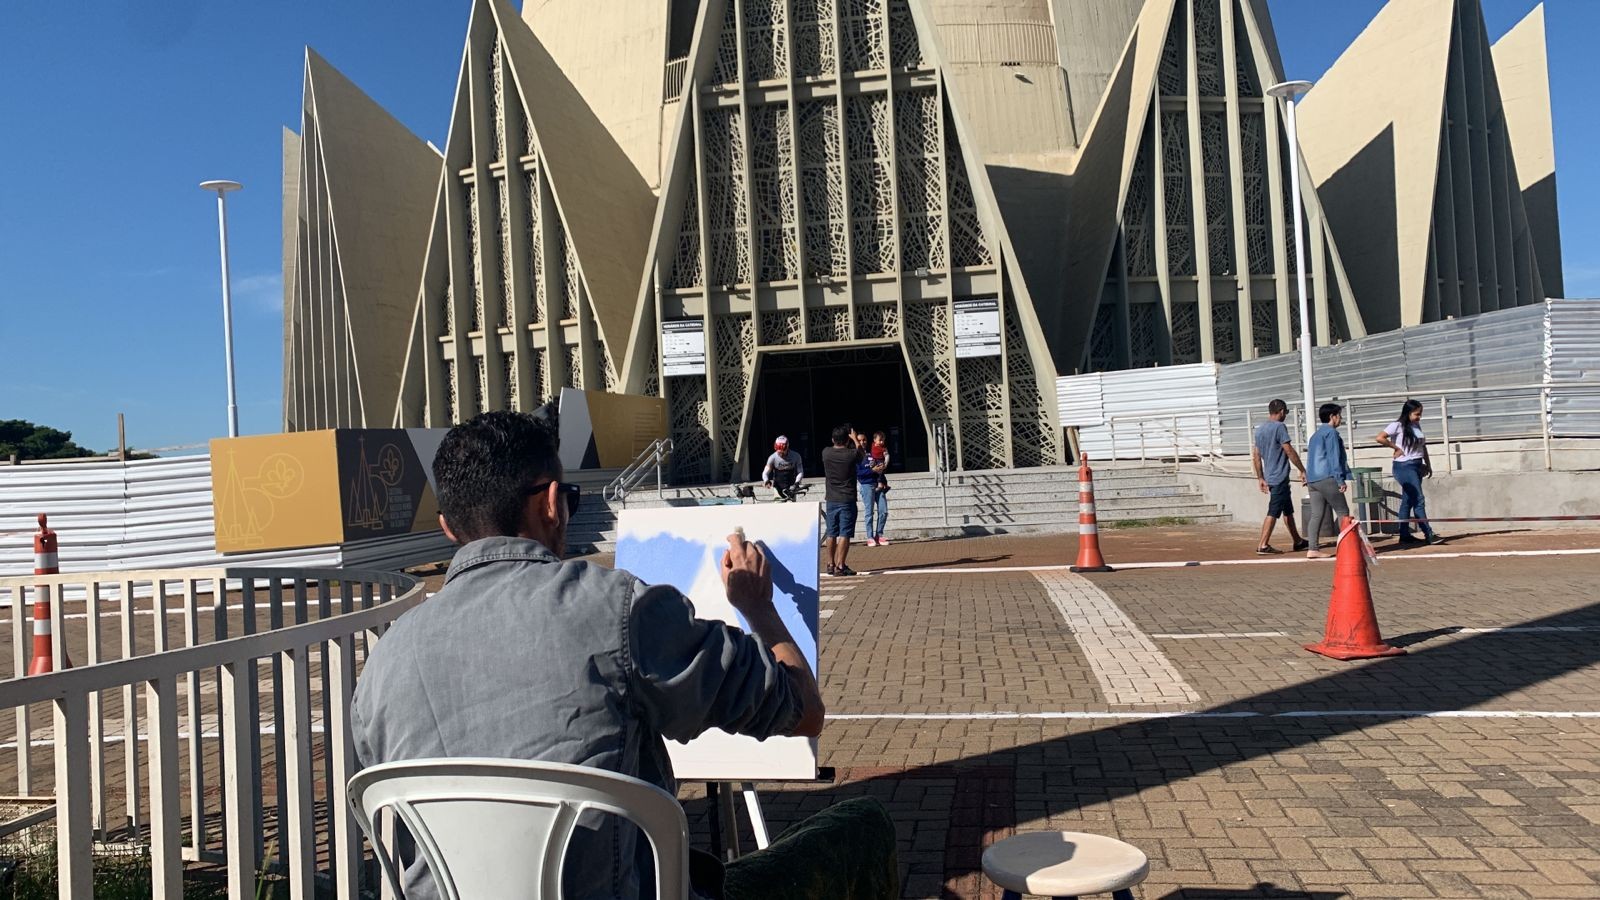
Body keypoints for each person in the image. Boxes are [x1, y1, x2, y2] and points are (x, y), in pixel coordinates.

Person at [350, 412, 898, 899]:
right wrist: (758, 609)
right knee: (863, 825)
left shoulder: (380, 669)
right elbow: (803, 710)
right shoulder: (615, 609)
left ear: (448, 528)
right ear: (550, 504)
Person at [1376, 398, 1443, 545]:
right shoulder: (1397, 425)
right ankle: (1428, 533)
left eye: (1420, 414)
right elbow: (1380, 438)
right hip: (1404, 467)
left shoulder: (1416, 425)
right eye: (1417, 414)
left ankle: (1404, 534)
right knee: (1418, 499)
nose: (1419, 417)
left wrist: (1427, 464)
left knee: (1408, 501)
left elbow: (1422, 447)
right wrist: (1396, 448)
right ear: (1408, 413)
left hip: (1417, 465)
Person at [1251, 399, 1309, 555]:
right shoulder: (1279, 427)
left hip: (1270, 476)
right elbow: (1288, 450)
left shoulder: (1260, 430)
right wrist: (1302, 469)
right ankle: (1263, 544)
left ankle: (1298, 541)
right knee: (1274, 511)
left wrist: (1260, 478)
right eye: (1286, 412)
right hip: (1279, 477)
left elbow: (1256, 456)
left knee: (1287, 510)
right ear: (1282, 411)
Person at [1302, 403, 1353, 559]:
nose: (1341, 419)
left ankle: (1313, 548)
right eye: (1339, 415)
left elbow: (1311, 458)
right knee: (1343, 512)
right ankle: (1346, 548)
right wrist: (1340, 480)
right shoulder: (1331, 434)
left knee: (1316, 514)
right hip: (1327, 477)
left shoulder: (1315, 436)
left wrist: (1307, 476)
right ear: (1333, 416)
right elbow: (1334, 457)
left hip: (1313, 480)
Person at [820, 424, 863, 576]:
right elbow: (861, 454)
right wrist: (855, 439)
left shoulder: (826, 453)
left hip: (831, 498)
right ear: (847, 440)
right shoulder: (851, 454)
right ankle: (840, 565)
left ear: (833, 439)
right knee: (845, 533)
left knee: (831, 532)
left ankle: (830, 563)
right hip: (847, 498)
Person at [860, 431, 891, 546]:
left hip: (879, 483)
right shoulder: (855, 456)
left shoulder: (871, 453)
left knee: (883, 511)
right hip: (867, 485)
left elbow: (883, 459)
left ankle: (879, 535)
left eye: (864, 440)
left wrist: (881, 467)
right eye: (859, 440)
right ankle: (870, 536)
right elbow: (858, 473)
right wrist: (872, 470)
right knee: (869, 512)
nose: (862, 442)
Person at [761, 435, 804, 501]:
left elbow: (800, 471)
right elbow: (765, 472)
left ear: (787, 447)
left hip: (791, 487)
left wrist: (797, 482)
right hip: (778, 487)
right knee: (778, 508)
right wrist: (766, 481)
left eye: (783, 451)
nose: (780, 453)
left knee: (792, 508)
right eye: (778, 451)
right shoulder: (772, 457)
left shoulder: (796, 456)